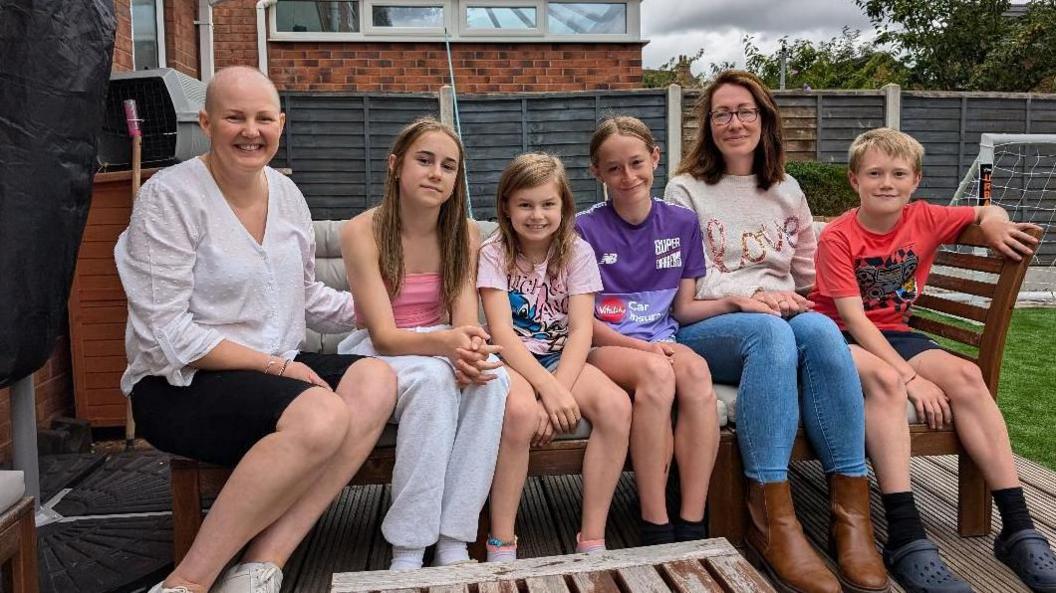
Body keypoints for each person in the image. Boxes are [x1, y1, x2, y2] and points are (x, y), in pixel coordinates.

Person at [117, 66, 397, 593]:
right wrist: (279, 366)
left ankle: (260, 566)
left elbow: (305, 295)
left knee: (376, 380)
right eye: (235, 117)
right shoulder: (169, 197)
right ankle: (187, 582)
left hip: (276, 372)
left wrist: (381, 310)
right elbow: (166, 332)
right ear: (206, 122)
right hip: (179, 384)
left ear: (281, 123)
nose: (251, 130)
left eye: (264, 118)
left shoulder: (288, 195)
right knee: (320, 416)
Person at [664, 70, 888, 593]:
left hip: (778, 314)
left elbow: (808, 275)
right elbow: (682, 279)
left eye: (745, 111)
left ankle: (851, 518)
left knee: (823, 334)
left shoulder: (787, 189)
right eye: (722, 113)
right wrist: (751, 298)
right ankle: (773, 520)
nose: (734, 122)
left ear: (765, 120)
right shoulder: (685, 189)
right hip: (709, 321)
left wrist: (811, 304)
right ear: (707, 125)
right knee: (771, 336)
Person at [811, 127, 1056, 593]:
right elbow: (855, 321)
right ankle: (904, 535)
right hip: (837, 334)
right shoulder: (838, 236)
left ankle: (1019, 527)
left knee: (965, 375)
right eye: (875, 173)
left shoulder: (925, 218)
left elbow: (987, 207)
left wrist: (995, 222)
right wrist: (910, 379)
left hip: (896, 332)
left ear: (916, 180)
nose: (887, 183)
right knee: (885, 379)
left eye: (898, 174)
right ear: (854, 181)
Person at [338, 117, 511, 570]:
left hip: (441, 343)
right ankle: (409, 546)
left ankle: (454, 537)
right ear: (396, 165)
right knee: (435, 381)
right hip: (381, 354)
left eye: (448, 166)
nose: (436, 173)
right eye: (425, 160)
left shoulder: (465, 235)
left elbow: (465, 321)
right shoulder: (362, 231)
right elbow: (384, 335)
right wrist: (448, 347)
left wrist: (468, 352)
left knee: (491, 381)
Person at [575, 116, 721, 546]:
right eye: (614, 167)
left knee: (695, 373)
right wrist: (643, 350)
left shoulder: (681, 223)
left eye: (637, 162)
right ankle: (654, 521)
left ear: (656, 159)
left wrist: (737, 303)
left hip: (662, 339)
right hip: (604, 344)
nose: (628, 176)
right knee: (657, 375)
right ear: (596, 172)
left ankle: (692, 521)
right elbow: (582, 321)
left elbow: (684, 307)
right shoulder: (583, 229)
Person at [479, 153, 631, 560]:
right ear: (506, 207)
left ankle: (593, 537)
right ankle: (502, 540)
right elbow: (502, 333)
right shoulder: (493, 252)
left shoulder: (577, 252)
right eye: (525, 204)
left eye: (548, 204)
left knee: (616, 406)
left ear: (564, 206)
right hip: (514, 360)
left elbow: (582, 329)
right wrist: (546, 391)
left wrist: (558, 388)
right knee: (519, 415)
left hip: (562, 357)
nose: (537, 215)